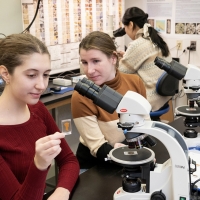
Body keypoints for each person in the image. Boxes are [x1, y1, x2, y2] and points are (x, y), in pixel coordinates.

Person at [0, 33, 79, 200]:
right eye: (31, 75)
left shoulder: (37, 110)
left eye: (45, 74)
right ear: (5, 73)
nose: (42, 85)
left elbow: (69, 160)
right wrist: (40, 166)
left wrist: (61, 192)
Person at [71, 31, 147, 170]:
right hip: (95, 164)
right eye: (84, 62)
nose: (89, 70)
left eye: (96, 61)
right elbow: (98, 148)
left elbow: (145, 124)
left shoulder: (135, 82)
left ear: (113, 58)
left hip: (128, 154)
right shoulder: (81, 96)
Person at [118, 7, 172, 112]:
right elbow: (147, 60)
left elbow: (121, 72)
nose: (125, 30)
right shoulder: (154, 38)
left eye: (125, 26)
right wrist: (126, 56)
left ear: (131, 24)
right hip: (163, 97)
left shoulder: (137, 44)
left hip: (150, 99)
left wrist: (113, 61)